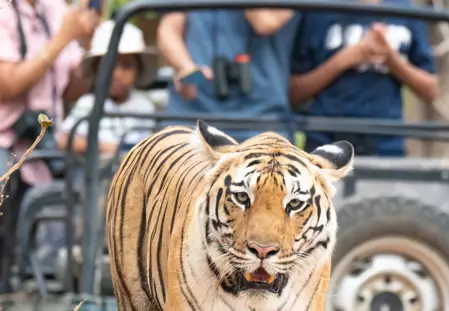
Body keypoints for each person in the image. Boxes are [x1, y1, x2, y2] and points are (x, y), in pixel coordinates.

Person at [0, 0, 100, 292]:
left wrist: (87, 44)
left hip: (46, 147)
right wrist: (62, 39)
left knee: (85, 187)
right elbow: (7, 84)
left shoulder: (55, 8)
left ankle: (47, 290)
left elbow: (72, 88)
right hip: (6, 142)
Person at [290, 0, 438, 157]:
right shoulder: (317, 10)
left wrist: (391, 59)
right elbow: (293, 93)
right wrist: (344, 60)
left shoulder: (406, 10)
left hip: (387, 143)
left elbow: (430, 90)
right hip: (326, 141)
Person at [156, 8, 300, 142]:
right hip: (190, 114)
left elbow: (264, 22)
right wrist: (185, 67)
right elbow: (169, 27)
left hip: (261, 122)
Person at [58, 19, 159, 156]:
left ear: (138, 71)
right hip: (93, 175)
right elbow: (64, 140)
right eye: (109, 65)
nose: (116, 74)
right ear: (95, 68)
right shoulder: (88, 104)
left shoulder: (144, 107)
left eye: (126, 66)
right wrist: (99, 146)